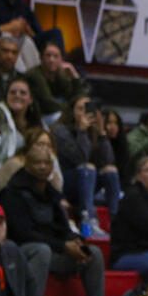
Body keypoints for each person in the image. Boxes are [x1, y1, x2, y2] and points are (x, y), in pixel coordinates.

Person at [0, 146, 105, 296]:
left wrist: (76, 241)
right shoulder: (12, 193)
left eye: (47, 163)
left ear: (52, 167)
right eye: (37, 162)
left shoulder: (52, 194)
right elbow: (22, 233)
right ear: (27, 165)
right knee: (42, 251)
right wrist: (62, 246)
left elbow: (63, 228)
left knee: (93, 253)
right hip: (23, 253)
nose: (42, 167)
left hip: (54, 252)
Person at [52, 95, 118, 236]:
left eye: (88, 109)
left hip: (88, 182)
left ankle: (116, 222)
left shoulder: (93, 132)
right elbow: (80, 159)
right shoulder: (61, 131)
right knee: (87, 168)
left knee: (110, 171)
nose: (85, 113)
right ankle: (89, 221)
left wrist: (101, 133)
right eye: (80, 109)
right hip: (66, 183)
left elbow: (108, 161)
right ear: (72, 111)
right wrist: (81, 132)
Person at [25, 42, 84, 120]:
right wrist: (74, 108)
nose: (51, 60)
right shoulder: (34, 75)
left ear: (61, 59)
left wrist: (74, 76)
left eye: (56, 56)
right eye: (48, 56)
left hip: (58, 112)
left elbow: (76, 96)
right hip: (39, 116)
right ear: (41, 57)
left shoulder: (60, 74)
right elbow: (48, 103)